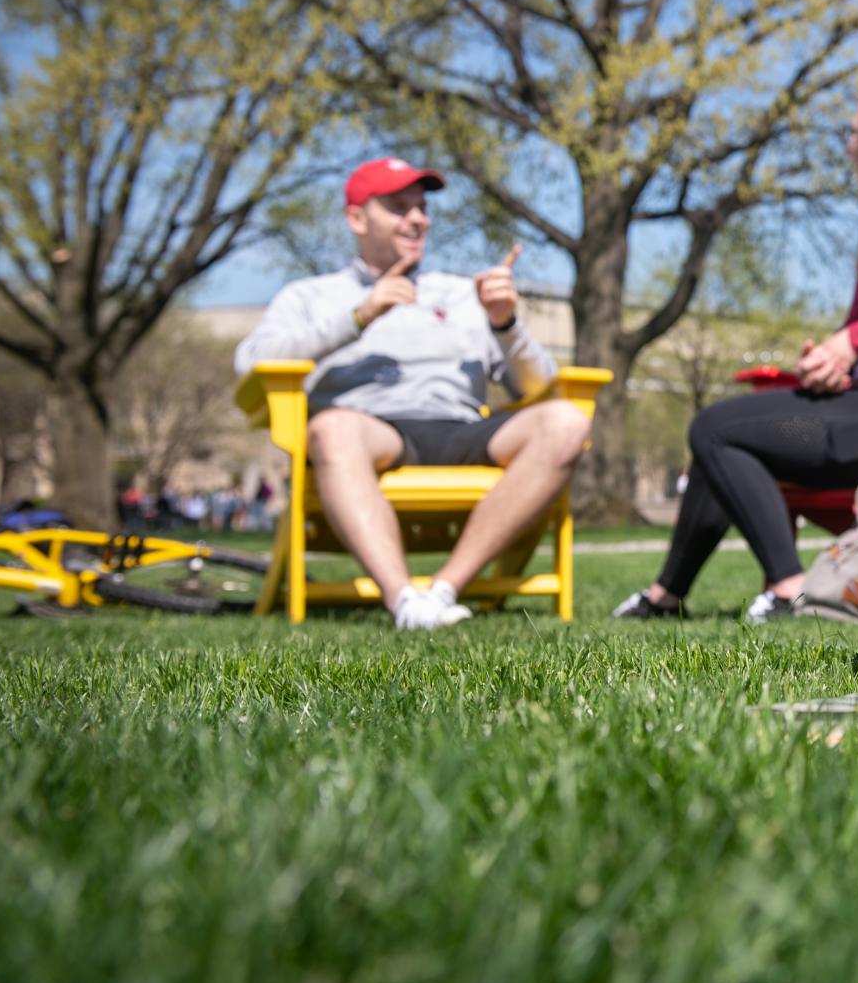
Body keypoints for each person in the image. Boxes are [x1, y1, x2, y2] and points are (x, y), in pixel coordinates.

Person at [612, 84, 858, 623]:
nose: (848, 145)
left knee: (716, 428)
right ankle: (665, 597)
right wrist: (831, 359)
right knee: (724, 434)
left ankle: (790, 587)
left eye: (855, 131)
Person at [234, 157, 592, 630]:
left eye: (421, 208)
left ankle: (442, 590)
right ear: (357, 219)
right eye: (399, 207)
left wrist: (505, 323)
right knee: (332, 429)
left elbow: (535, 386)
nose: (418, 218)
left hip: (463, 428)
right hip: (373, 432)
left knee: (566, 421)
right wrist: (358, 317)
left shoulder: (464, 293)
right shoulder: (312, 296)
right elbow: (252, 362)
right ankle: (403, 598)